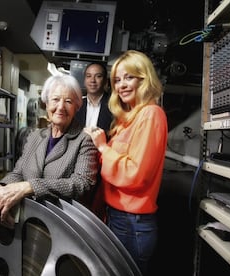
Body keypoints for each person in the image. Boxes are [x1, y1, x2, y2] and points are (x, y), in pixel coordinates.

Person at [85, 50, 168, 275]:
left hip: (132, 224)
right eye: (117, 80)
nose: (121, 85)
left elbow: (135, 174)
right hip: (117, 217)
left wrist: (102, 146)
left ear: (145, 78)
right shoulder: (127, 120)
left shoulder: (151, 114)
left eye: (128, 77)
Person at [0, 74, 99, 228]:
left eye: (68, 101)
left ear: (77, 107)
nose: (60, 107)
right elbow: (18, 172)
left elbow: (81, 184)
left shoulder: (84, 140)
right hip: (27, 219)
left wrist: (30, 187)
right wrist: (1, 186)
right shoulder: (35, 136)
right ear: (46, 104)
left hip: (62, 225)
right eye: (55, 99)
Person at [75, 62, 113, 134]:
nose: (92, 80)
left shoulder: (113, 106)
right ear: (84, 81)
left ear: (105, 81)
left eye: (98, 76)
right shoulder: (77, 105)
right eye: (88, 76)